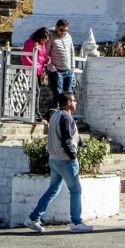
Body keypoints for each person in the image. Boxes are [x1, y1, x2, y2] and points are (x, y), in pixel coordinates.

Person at [24, 92, 92, 234]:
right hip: (65, 160)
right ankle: (76, 222)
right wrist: (73, 156)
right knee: (75, 190)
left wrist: (81, 143)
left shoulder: (55, 115)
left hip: (54, 159)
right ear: (68, 102)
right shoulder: (66, 117)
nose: (76, 103)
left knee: (53, 189)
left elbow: (70, 135)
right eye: (74, 100)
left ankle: (34, 217)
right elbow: (66, 139)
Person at [21, 27, 50, 117]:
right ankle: (33, 111)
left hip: (38, 71)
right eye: (44, 39)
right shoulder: (29, 43)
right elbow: (24, 57)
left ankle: (31, 111)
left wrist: (46, 60)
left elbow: (41, 57)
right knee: (35, 91)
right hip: (30, 70)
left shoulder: (42, 45)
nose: (45, 41)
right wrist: (33, 65)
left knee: (36, 91)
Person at [46, 19, 75, 102]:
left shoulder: (68, 36)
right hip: (57, 71)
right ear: (56, 27)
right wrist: (50, 66)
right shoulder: (51, 37)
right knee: (58, 94)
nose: (63, 32)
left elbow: (71, 51)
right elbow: (46, 53)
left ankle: (65, 114)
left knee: (68, 96)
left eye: (65, 30)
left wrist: (72, 66)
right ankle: (57, 113)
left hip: (68, 70)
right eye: (61, 30)